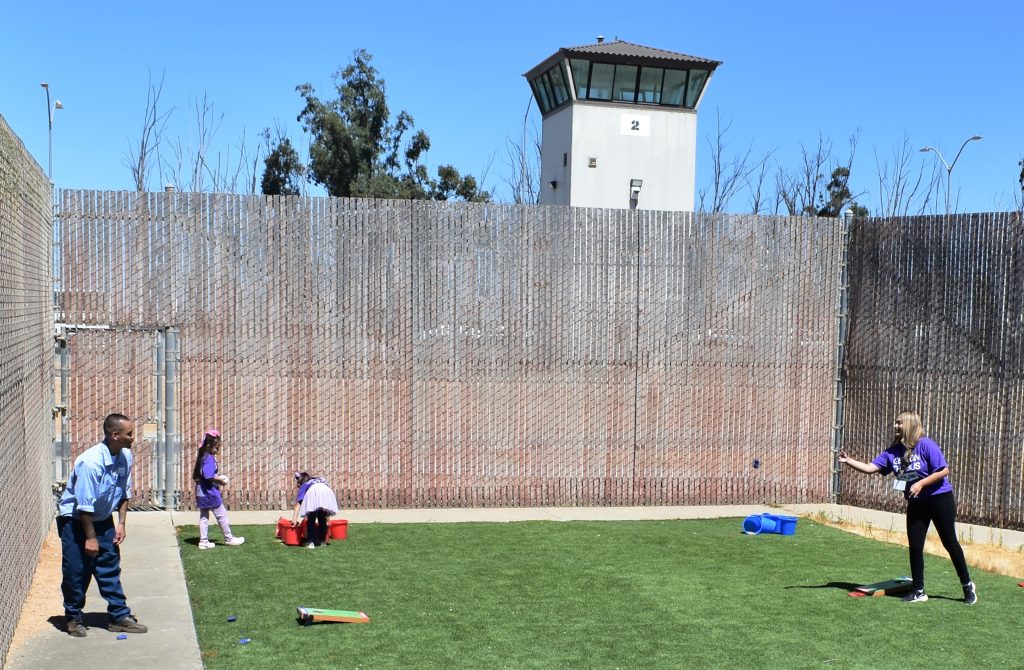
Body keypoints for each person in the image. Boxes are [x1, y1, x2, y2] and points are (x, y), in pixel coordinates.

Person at [839, 411, 977, 605]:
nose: (895, 426)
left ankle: (967, 585)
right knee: (915, 546)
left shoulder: (926, 445)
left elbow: (944, 470)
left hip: (939, 499)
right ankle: (919, 590)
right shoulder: (892, 452)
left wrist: (921, 484)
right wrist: (849, 461)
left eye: (899, 423)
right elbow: (871, 468)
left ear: (910, 425)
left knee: (949, 542)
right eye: (895, 423)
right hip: (917, 503)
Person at [57, 413, 149, 637]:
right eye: (129, 434)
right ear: (115, 435)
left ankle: (119, 616)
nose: (133, 438)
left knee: (109, 566)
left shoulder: (125, 455)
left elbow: (124, 492)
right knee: (77, 571)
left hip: (103, 518)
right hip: (76, 521)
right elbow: (84, 506)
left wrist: (122, 523)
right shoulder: (91, 463)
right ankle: (73, 617)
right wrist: (90, 538)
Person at [192, 429, 245, 549]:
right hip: (209, 492)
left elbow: (201, 474)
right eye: (217, 447)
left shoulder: (202, 456)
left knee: (204, 516)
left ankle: (203, 541)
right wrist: (219, 480)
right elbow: (208, 475)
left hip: (201, 491)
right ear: (210, 446)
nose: (218, 450)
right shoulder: (209, 458)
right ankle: (229, 538)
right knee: (222, 515)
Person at [292, 472, 340, 548]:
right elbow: (326, 507)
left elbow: (299, 503)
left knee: (311, 518)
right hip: (327, 491)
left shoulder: (305, 485)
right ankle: (322, 541)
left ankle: (310, 542)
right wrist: (328, 519)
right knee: (322, 517)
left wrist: (294, 519)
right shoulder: (317, 480)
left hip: (314, 491)